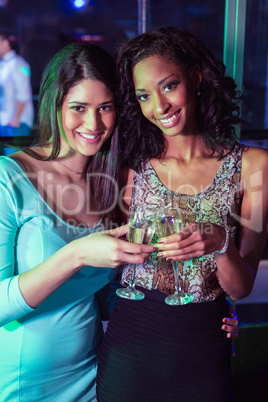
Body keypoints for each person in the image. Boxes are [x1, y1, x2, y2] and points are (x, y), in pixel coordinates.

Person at [96, 27, 268, 401]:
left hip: (202, 343)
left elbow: (240, 288)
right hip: (131, 339)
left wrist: (221, 242)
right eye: (144, 95)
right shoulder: (131, 165)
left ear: (197, 77)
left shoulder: (254, 165)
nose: (159, 106)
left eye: (169, 85)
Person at [0, 42, 154, 402]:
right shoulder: (10, 178)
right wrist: (76, 254)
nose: (93, 124)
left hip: (95, 373)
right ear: (54, 105)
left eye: (105, 108)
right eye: (78, 108)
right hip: (24, 383)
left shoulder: (115, 183)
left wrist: (214, 312)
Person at [0, 31, 34, 156]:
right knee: (5, 160)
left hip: (17, 123)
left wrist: (16, 119)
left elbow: (23, 94)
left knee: (14, 159)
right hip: (5, 121)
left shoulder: (18, 64)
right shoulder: (3, 65)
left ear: (5, 42)